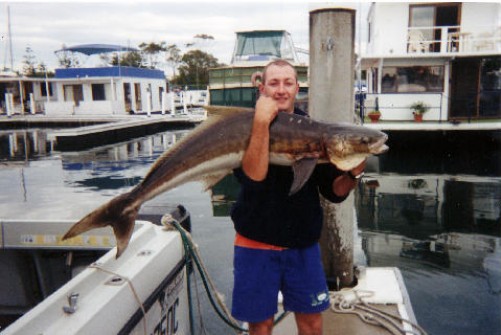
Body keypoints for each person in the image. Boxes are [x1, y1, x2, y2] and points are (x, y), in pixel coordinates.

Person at [230, 59, 365, 335]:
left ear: (297, 88)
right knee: (260, 326)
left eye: (287, 83)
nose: (281, 90)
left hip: (302, 246)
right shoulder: (244, 127)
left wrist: (353, 175)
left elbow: (335, 192)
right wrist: (260, 123)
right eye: (274, 83)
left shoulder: (315, 131)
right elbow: (252, 178)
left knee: (312, 325)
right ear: (262, 88)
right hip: (255, 244)